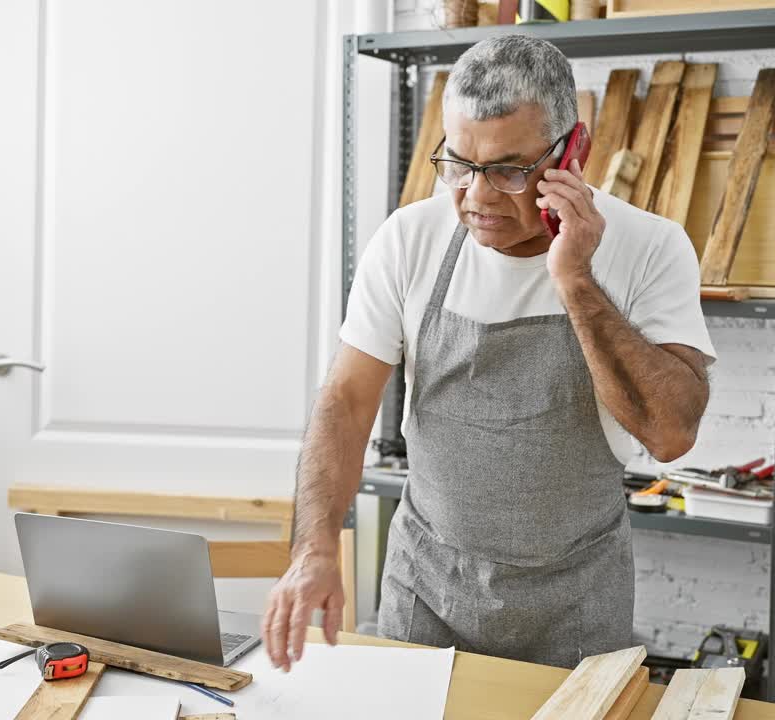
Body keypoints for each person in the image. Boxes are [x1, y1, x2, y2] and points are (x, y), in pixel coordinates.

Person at [263, 34, 715, 671]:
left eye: (507, 170)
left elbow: (670, 434)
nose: (476, 198)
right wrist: (314, 549)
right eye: (459, 165)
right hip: (427, 596)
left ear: (572, 152)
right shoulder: (408, 240)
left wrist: (576, 282)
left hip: (577, 609)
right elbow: (345, 400)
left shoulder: (651, 247)